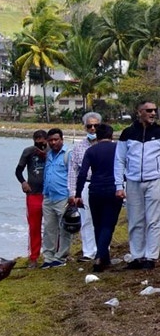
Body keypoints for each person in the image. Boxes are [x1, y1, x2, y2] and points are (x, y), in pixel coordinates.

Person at [114, 100, 160, 270]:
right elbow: (119, 160)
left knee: (153, 220)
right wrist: (119, 185)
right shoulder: (128, 133)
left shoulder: (159, 131)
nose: (153, 113)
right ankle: (137, 256)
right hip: (133, 181)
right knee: (135, 219)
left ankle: (151, 256)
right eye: (149, 110)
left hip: (154, 180)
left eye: (155, 110)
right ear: (139, 112)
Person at [72, 124, 121, 272]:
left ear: (97, 136)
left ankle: (104, 258)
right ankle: (100, 256)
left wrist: (78, 194)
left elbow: (82, 174)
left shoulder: (91, 150)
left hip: (94, 190)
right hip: (112, 189)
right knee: (108, 225)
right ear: (111, 136)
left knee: (98, 224)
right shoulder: (118, 149)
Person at [66, 112, 101, 262]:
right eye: (89, 126)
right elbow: (73, 171)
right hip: (85, 185)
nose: (92, 129)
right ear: (85, 127)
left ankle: (102, 250)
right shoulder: (79, 147)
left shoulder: (108, 144)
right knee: (86, 219)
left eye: (96, 126)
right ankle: (88, 252)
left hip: (102, 184)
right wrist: (73, 192)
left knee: (102, 219)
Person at [15, 130, 48, 269]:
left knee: (53, 226)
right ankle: (33, 257)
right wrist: (23, 182)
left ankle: (56, 255)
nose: (40, 145)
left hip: (50, 194)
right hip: (33, 194)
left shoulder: (53, 151)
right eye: (37, 141)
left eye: (42, 141)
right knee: (34, 227)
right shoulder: (28, 152)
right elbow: (18, 171)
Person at [41, 128, 72, 269]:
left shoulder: (68, 155)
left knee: (64, 229)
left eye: (56, 139)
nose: (53, 142)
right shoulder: (48, 155)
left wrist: (72, 195)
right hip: (48, 197)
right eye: (51, 140)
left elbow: (72, 175)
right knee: (49, 229)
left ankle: (61, 257)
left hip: (63, 197)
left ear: (62, 140)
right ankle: (48, 257)